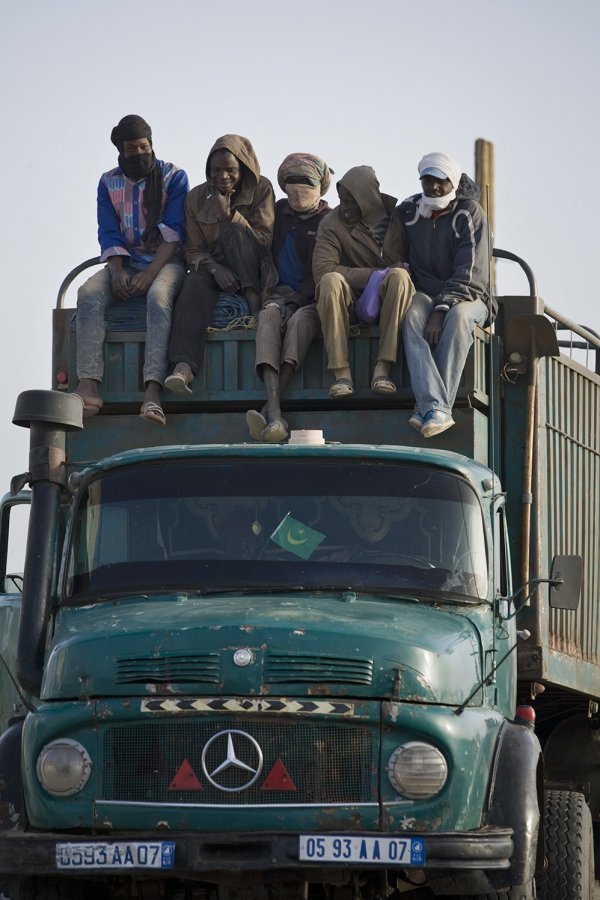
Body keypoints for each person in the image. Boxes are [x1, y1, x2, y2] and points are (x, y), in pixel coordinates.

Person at [73, 114, 188, 425]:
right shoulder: (107, 182)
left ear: (152, 145)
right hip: (125, 260)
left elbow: (174, 231)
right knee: (88, 294)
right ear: (120, 151)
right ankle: (89, 385)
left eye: (144, 146)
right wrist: (118, 270)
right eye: (131, 148)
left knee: (158, 297)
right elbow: (108, 231)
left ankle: (152, 390)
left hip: (166, 261)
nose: (139, 153)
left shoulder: (174, 176)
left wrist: (150, 275)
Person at [165, 135, 276, 395]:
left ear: (243, 169)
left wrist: (229, 216)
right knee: (191, 283)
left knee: (232, 233)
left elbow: (265, 241)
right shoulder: (195, 198)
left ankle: (253, 308)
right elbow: (193, 250)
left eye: (231, 170)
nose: (223, 176)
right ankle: (184, 367)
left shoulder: (262, 189)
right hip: (216, 270)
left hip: (255, 269)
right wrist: (215, 268)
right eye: (216, 170)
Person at [399, 152, 493, 438]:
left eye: (440, 181)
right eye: (428, 180)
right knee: (411, 317)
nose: (434, 187)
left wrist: (441, 309)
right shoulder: (408, 210)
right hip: (425, 292)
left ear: (452, 181)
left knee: (460, 316)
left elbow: (472, 273)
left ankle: (435, 407)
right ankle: (433, 405)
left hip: (469, 295)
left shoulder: (469, 212)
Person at [246, 152, 333, 443]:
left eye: (306, 181)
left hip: (311, 300)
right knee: (268, 319)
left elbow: (323, 271)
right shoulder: (277, 212)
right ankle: (274, 413)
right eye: (291, 181)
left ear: (320, 185)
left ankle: (271, 412)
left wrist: (296, 301)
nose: (298, 188)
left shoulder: (328, 221)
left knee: (298, 323)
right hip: (276, 294)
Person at [312, 166, 414, 397]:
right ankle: (341, 373)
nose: (345, 208)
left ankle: (383, 368)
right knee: (330, 280)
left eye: (351, 202)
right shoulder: (331, 223)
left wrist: (391, 274)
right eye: (342, 201)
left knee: (400, 277)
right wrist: (377, 274)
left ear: (368, 198)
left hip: (393, 300)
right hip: (352, 302)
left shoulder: (400, 216)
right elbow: (322, 270)